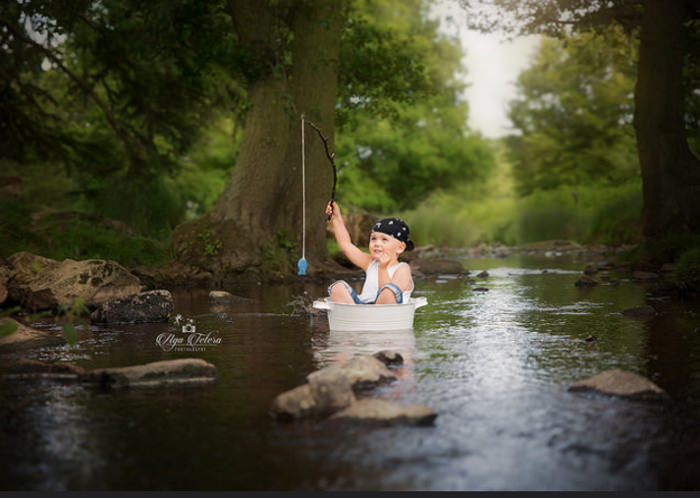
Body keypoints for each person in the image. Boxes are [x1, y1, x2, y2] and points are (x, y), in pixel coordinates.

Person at [326, 201, 414, 304]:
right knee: (338, 287)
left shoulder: (403, 269)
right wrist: (336, 217)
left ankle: (358, 316)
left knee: (389, 290)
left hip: (388, 311)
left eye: (384, 240)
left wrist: (382, 268)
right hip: (363, 308)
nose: (377, 243)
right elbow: (346, 245)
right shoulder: (370, 262)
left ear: (400, 247)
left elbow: (388, 299)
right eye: (373, 239)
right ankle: (353, 315)